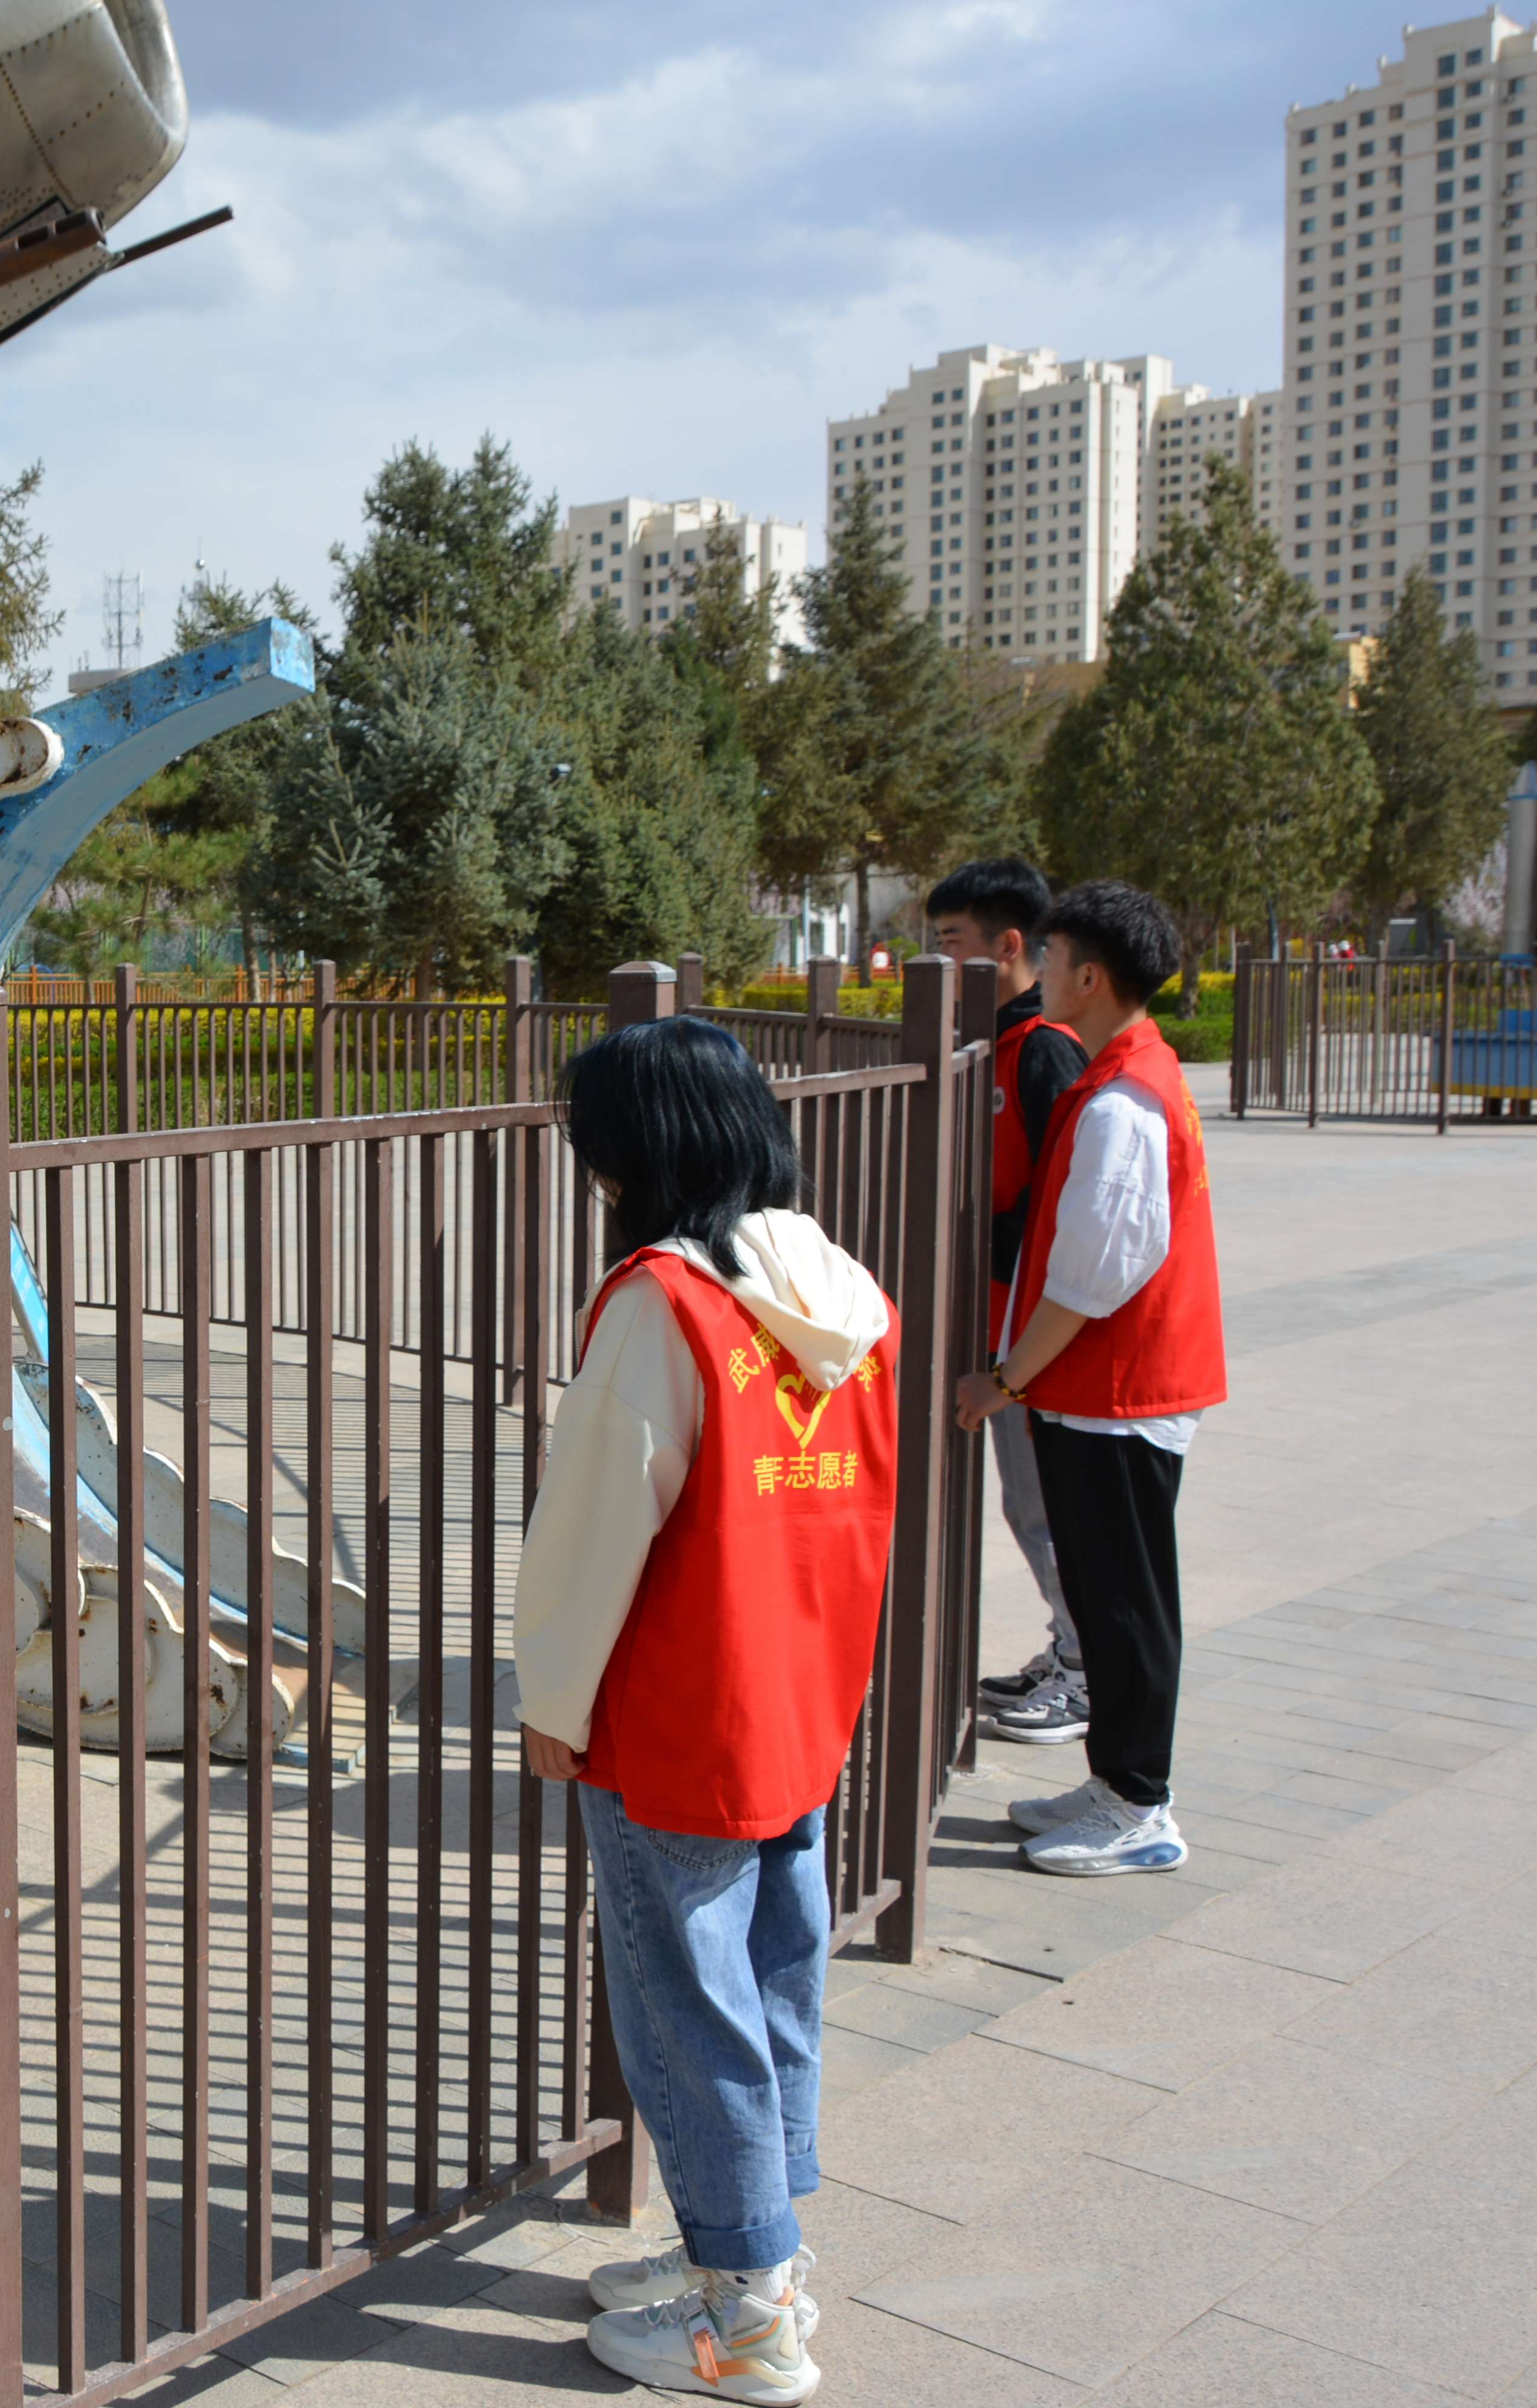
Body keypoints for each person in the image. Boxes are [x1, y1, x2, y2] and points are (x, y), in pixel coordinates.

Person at [517, 1016, 900, 2406]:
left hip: (680, 1710)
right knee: (778, 1977)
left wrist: (552, 1694)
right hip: (801, 1691)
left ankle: (746, 2319)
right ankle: (760, 2253)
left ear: (633, 1155)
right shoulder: (842, 1291)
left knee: (688, 2004)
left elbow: (592, 1526)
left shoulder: (660, 1304)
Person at [952, 881, 1224, 1877]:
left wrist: (1004, 1381)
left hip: (1121, 1394)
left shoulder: (1122, 1102)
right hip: (1106, 1391)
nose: (1043, 972)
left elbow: (1089, 1278)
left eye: (1056, 957)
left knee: (1124, 1607)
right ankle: (1114, 1784)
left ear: (1091, 977)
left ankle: (1141, 1806)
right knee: (1111, 1600)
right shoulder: (1129, 1073)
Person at [922, 858, 1090, 1745]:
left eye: (952, 942)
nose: (939, 961)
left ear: (1009, 945)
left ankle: (1085, 1673)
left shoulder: (1044, 1051)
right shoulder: (987, 1042)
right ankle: (1070, 1648)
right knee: (1029, 1504)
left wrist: (967, 1240)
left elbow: (1060, 1204)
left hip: (1031, 1335)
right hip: (1000, 1321)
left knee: (1043, 1507)